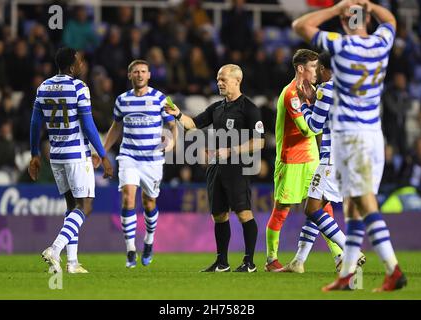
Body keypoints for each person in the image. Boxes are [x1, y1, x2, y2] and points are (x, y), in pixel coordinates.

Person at [292, 0, 407, 291]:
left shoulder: (341, 46)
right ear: (369, 20)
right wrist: (369, 5)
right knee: (354, 208)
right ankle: (347, 274)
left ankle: (393, 268)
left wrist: (335, 8)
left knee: (364, 202)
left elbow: (301, 26)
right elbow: (391, 21)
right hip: (372, 135)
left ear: (345, 22)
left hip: (350, 137)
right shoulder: (381, 43)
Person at [164, 64, 264, 272]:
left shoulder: (249, 108)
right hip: (216, 167)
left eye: (223, 79)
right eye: (218, 79)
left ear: (237, 81)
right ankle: (222, 262)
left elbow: (260, 142)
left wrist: (231, 150)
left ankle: (249, 262)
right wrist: (178, 114)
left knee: (243, 212)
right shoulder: (217, 108)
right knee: (218, 215)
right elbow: (194, 124)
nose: (219, 83)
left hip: (238, 167)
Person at [29, 47, 113, 274]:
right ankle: (55, 249)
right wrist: (103, 155)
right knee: (85, 206)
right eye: (80, 61)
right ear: (72, 65)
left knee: (71, 207)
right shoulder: (79, 87)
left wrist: (35, 154)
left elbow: (36, 123)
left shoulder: (43, 87)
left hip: (55, 156)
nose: (82, 65)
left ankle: (72, 262)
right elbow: (87, 125)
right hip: (76, 154)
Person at [282, 51, 365, 273]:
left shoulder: (327, 89)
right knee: (316, 204)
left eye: (319, 68)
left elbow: (314, 127)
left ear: (323, 68)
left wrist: (305, 104)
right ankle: (298, 261)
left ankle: (351, 250)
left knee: (311, 209)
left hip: (332, 157)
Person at [264, 49, 342, 272]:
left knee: (322, 206)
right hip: (290, 160)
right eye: (312, 67)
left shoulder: (316, 90)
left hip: (313, 159)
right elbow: (307, 130)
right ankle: (271, 260)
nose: (317, 71)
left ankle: (338, 255)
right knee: (282, 210)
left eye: (319, 66)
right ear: (300, 68)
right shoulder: (291, 94)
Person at [101, 60, 177, 268]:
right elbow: (116, 127)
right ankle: (130, 250)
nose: (140, 74)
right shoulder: (122, 100)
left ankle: (149, 241)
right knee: (128, 196)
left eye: (143, 71)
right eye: (136, 71)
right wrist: (102, 151)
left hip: (152, 159)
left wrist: (170, 143)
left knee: (149, 203)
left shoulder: (160, 99)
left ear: (149, 75)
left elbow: (172, 124)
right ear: (130, 76)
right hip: (129, 156)